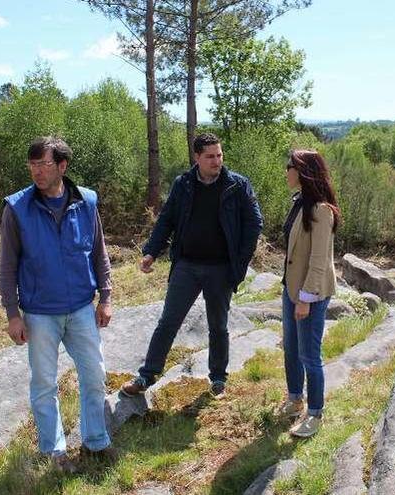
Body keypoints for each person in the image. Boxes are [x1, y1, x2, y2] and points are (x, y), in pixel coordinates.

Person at [0, 136, 115, 472]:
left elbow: (99, 254)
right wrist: (12, 314)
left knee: (94, 375)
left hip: (81, 308)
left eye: (43, 164)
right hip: (38, 314)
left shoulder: (87, 202)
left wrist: (105, 298)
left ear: (62, 166)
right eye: (32, 165)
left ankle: (96, 441)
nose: (37, 171)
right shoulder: (17, 208)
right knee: (44, 384)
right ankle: (53, 451)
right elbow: (7, 266)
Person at [120, 132, 263, 399]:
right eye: (210, 156)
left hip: (220, 269)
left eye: (219, 155)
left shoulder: (238, 185)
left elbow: (254, 224)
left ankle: (218, 379)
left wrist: (240, 264)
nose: (216, 161)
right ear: (196, 157)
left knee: (218, 326)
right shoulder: (183, 184)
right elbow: (166, 220)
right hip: (186, 266)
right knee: (168, 322)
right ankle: (146, 375)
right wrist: (151, 252)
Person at [277, 149, 341, 438]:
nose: (286, 171)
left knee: (309, 356)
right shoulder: (299, 203)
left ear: (302, 171)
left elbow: (318, 260)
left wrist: (305, 299)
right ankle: (294, 399)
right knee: (290, 349)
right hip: (290, 289)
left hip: (309, 294)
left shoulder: (321, 210)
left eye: (289, 166)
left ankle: (315, 413)